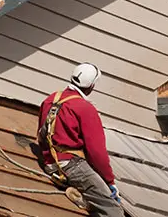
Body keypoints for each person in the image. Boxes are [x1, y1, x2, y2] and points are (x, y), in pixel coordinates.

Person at [38, 63, 122, 217]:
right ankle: (90, 201)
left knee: (96, 193)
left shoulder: (50, 100)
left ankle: (86, 200)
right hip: (72, 166)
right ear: (91, 86)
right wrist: (110, 182)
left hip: (50, 163)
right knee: (114, 210)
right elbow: (97, 153)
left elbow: (41, 135)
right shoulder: (84, 108)